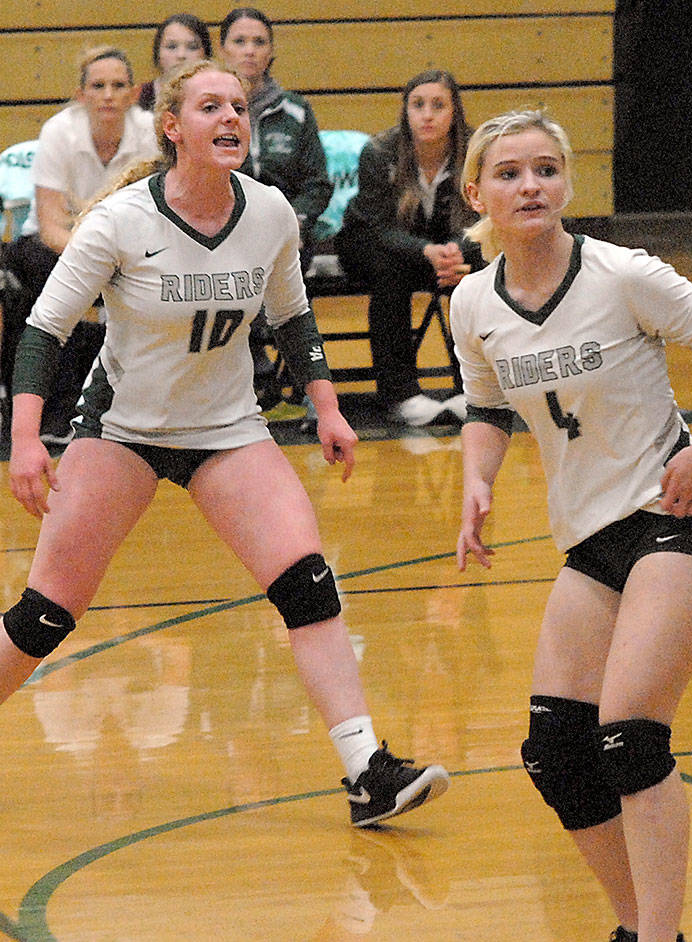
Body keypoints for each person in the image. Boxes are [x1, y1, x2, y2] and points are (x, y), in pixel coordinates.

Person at [0, 60, 450, 828]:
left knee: (308, 584)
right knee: (45, 615)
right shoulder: (120, 221)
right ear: (173, 127)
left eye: (239, 106)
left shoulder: (270, 211)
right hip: (123, 432)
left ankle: (366, 771)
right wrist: (25, 439)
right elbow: (44, 328)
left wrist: (329, 408)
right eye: (211, 106)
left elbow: (294, 317)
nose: (231, 117)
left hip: (227, 431)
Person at [452, 110, 692, 942]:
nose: (531, 186)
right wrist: (477, 481)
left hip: (674, 519)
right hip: (588, 543)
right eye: (510, 173)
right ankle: (637, 928)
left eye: (546, 169)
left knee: (627, 738)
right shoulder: (472, 302)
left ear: (567, 183)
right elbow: (486, 406)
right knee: (556, 754)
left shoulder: (624, 274)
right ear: (477, 193)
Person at [4, 46, 158, 444]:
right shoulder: (59, 131)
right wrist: (94, 261)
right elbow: (51, 223)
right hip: (59, 248)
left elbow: (155, 216)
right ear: (81, 94)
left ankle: (138, 411)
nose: (108, 94)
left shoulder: (150, 134)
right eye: (98, 85)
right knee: (39, 269)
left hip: (130, 247)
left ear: (134, 92)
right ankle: (54, 413)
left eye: (118, 85)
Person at [335, 69, 482, 426]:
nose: (427, 114)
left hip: (444, 249)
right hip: (371, 243)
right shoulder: (379, 151)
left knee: (479, 272)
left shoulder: (477, 150)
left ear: (455, 111)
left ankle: (476, 391)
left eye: (438, 105)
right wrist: (426, 252)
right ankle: (400, 395)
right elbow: (378, 226)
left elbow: (485, 216)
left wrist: (458, 252)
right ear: (406, 111)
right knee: (391, 272)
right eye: (418, 105)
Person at [218, 7, 332, 415]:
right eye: (239, 41)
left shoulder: (297, 112)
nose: (249, 51)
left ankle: (311, 389)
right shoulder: (212, 111)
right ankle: (251, 368)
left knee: (288, 261)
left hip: (288, 232)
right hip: (224, 227)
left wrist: (296, 219)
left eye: (259, 42)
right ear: (222, 49)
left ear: (271, 52)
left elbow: (318, 183)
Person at [138, 13, 213, 112]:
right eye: (171, 47)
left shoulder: (218, 96)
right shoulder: (138, 98)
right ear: (157, 54)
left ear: (206, 55)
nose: (181, 55)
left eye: (192, 47)